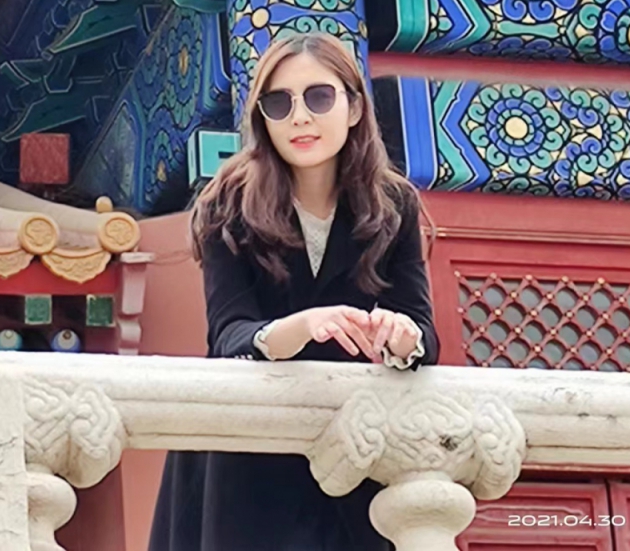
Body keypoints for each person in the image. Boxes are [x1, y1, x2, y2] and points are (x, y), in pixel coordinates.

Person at [149, 32, 440, 551]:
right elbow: (229, 334)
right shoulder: (227, 203)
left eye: (319, 97)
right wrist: (300, 327)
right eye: (279, 104)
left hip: (354, 453)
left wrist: (402, 336)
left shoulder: (394, 205)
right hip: (243, 463)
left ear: (354, 107)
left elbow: (423, 332)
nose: (300, 117)